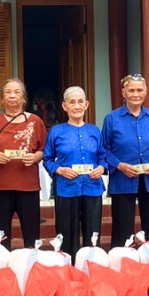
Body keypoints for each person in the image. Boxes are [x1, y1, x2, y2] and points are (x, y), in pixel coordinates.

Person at [0, 78, 47, 250]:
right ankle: (2, 267)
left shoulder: (36, 121)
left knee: (31, 233)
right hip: (0, 186)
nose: (12, 96)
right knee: (0, 234)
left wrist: (35, 157)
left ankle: (30, 267)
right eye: (8, 92)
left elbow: (44, 150)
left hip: (28, 186)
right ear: (2, 99)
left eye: (17, 92)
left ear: (24, 99)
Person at [103, 73, 149, 248]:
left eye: (139, 90)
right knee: (122, 228)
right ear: (123, 92)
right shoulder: (112, 119)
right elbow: (104, 149)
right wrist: (120, 165)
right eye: (131, 90)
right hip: (123, 179)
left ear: (146, 91)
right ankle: (122, 261)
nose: (135, 94)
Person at [43, 86, 106, 260]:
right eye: (72, 102)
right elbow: (47, 159)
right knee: (66, 231)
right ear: (64, 106)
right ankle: (68, 269)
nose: (76, 106)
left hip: (92, 188)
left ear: (86, 105)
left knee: (92, 231)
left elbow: (103, 156)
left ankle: (91, 267)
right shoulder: (56, 132)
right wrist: (60, 170)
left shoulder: (94, 131)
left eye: (80, 102)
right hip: (66, 189)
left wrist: (101, 168)